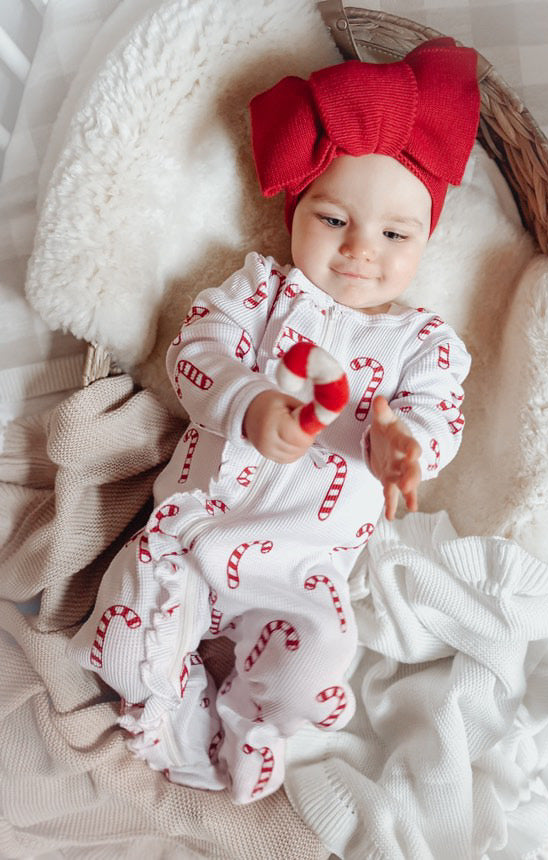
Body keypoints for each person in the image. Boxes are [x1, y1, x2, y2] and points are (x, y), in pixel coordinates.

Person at [68, 38, 480, 803]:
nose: (360, 250)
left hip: (304, 566)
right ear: (295, 211)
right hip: (194, 532)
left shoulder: (419, 343)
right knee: (122, 647)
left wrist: (403, 447)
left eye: (395, 235)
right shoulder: (260, 292)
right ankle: (174, 716)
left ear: (425, 242)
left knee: (312, 665)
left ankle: (247, 730)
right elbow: (195, 350)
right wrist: (252, 404)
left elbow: (440, 416)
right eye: (333, 219)